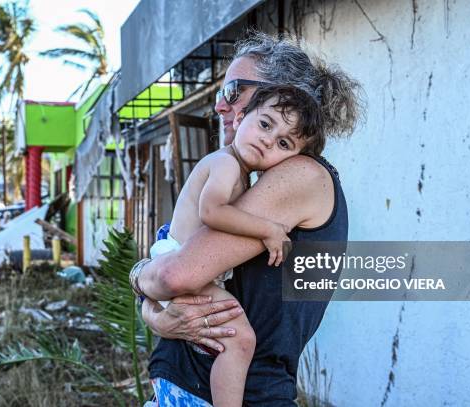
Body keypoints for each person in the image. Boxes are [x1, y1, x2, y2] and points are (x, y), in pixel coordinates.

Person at [135, 32, 362, 405]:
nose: (220, 107)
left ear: (281, 93)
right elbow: (178, 279)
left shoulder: (302, 175)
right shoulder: (244, 178)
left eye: (233, 91)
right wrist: (154, 310)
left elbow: (174, 275)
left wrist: (145, 281)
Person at [146, 84, 328, 407]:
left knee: (231, 338)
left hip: (178, 267)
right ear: (242, 119)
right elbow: (212, 211)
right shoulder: (226, 164)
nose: (267, 141)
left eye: (283, 143)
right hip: (176, 259)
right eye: (265, 124)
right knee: (241, 340)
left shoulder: (246, 175)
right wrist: (268, 229)